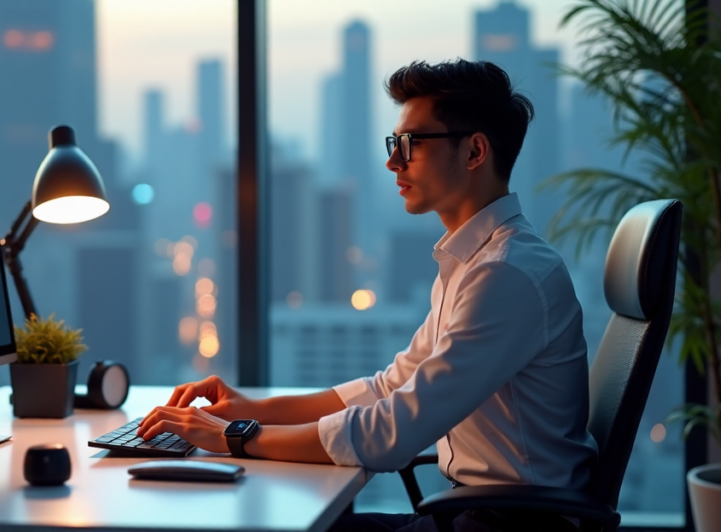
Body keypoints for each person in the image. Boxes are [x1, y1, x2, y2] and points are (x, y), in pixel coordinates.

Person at [136, 59, 597, 532]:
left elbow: (390, 435)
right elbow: (389, 387)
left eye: (410, 144)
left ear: (475, 151)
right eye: (394, 144)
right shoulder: (473, 262)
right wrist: (249, 410)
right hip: (480, 513)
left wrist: (236, 437)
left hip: (515, 526)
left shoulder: (505, 275)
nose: (393, 161)